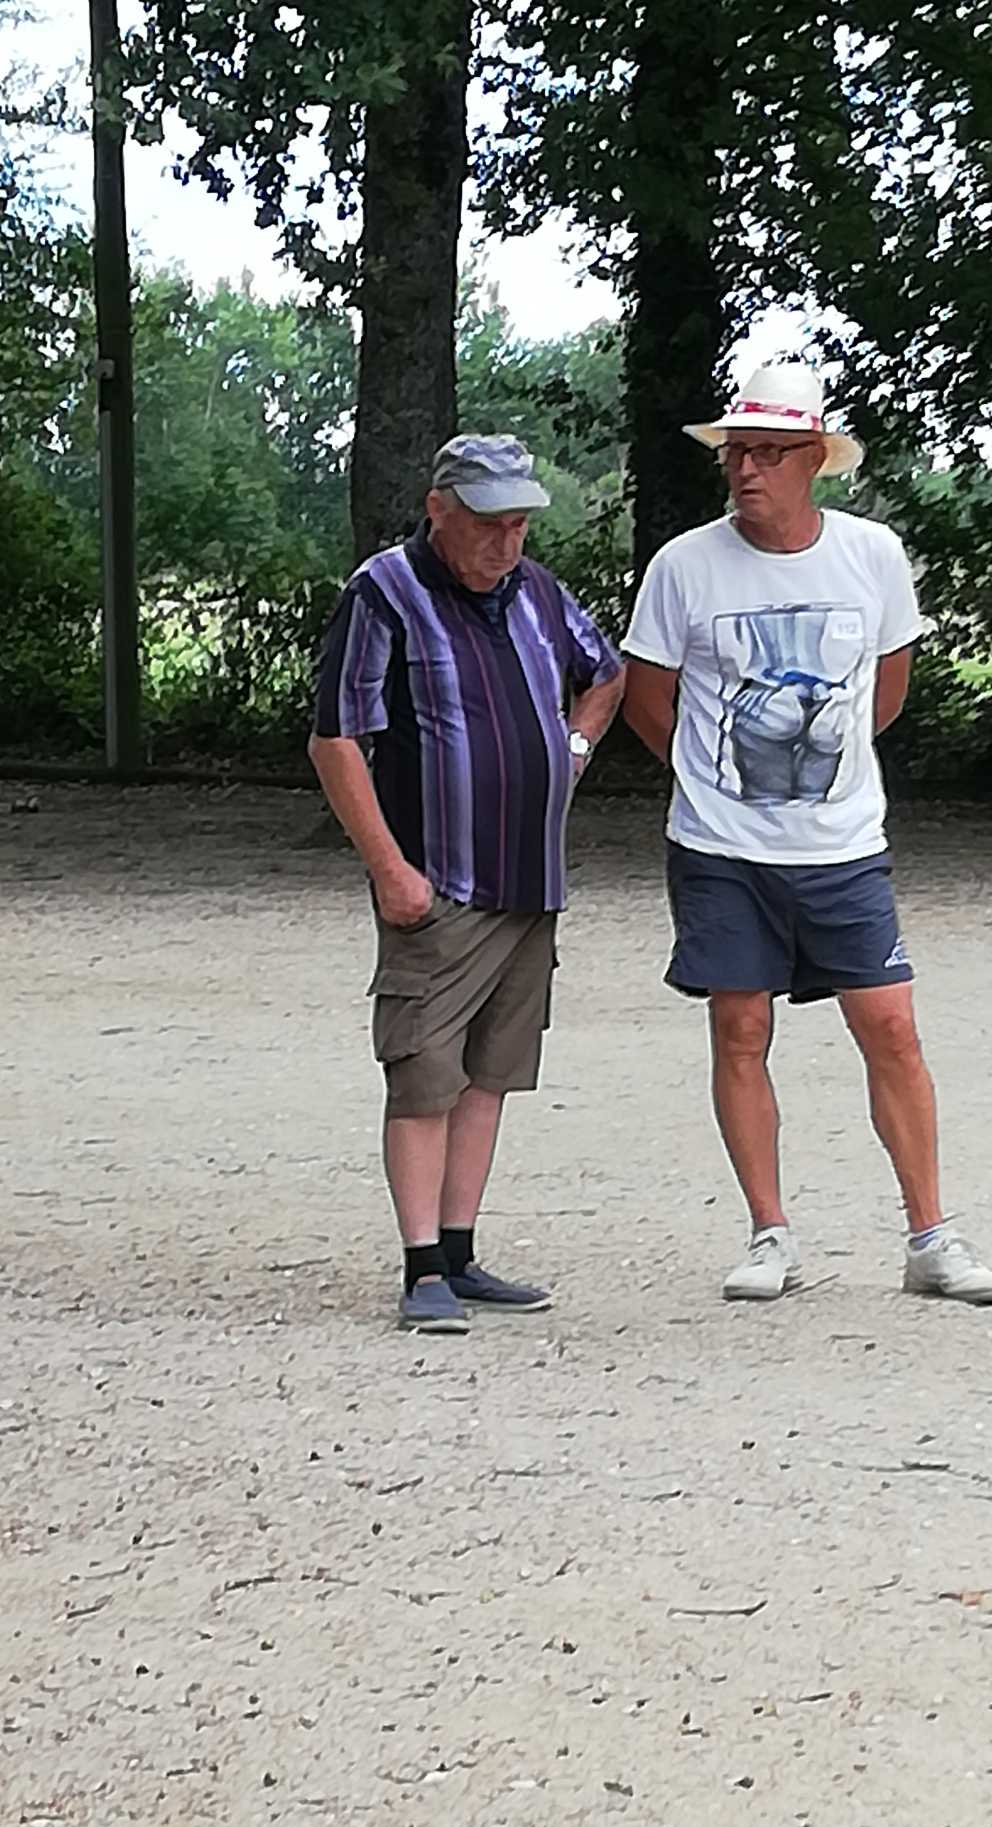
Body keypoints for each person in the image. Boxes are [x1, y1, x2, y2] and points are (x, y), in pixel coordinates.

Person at [622, 361, 992, 1308]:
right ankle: (770, 1234)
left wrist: (824, 775)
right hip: (721, 848)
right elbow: (646, 697)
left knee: (891, 1028)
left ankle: (931, 1238)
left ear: (814, 461)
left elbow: (887, 687)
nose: (745, 469)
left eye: (767, 453)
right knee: (740, 1027)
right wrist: (717, 778)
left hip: (843, 847)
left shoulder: (871, 555)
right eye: (736, 453)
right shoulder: (684, 566)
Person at [309, 434, 626, 1333]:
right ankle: (421, 1271)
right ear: (439, 510)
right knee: (423, 1074)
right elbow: (337, 739)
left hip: (530, 881)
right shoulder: (385, 593)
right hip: (438, 882)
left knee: (491, 1074)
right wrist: (390, 870)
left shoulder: (538, 592)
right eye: (489, 523)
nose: (506, 541)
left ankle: (458, 1253)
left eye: (519, 523)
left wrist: (572, 746)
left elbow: (605, 675)